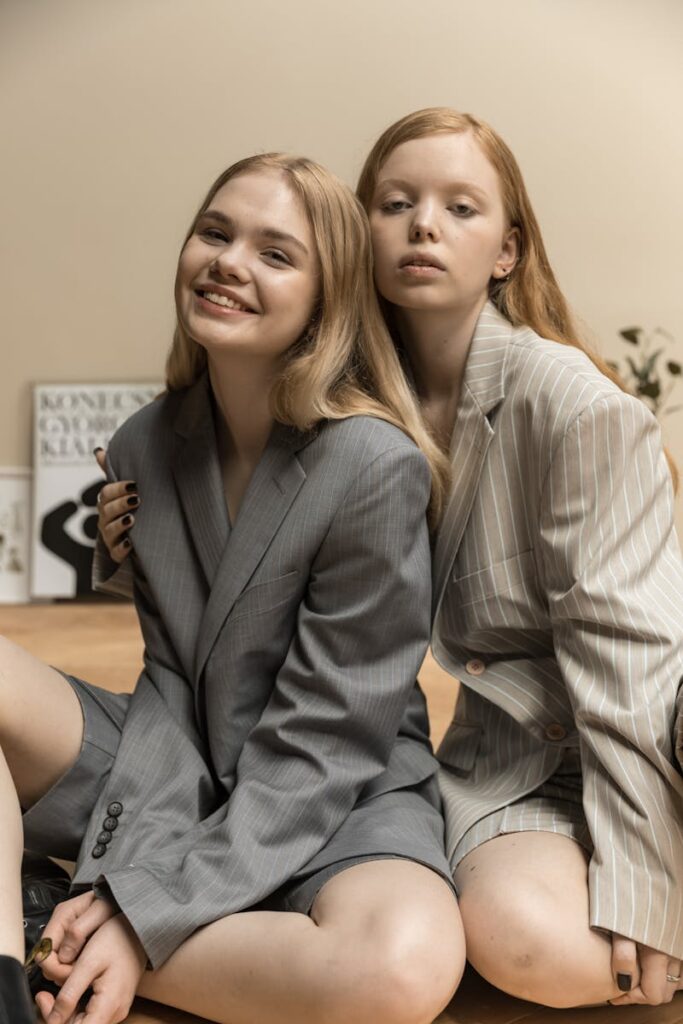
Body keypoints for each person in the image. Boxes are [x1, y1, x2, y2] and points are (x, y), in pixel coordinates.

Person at [100, 110, 683, 1011]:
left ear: (507, 251)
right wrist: (135, 541)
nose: (423, 225)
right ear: (353, 235)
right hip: (511, 755)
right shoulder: (344, 406)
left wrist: (647, 885)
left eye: (460, 207)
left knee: (612, 947)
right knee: (535, 954)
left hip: (652, 729)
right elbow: (246, 554)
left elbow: (630, 665)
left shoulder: (571, 405)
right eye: (394, 203)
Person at [0, 152, 464, 1024]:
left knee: (397, 973)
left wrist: (147, 907)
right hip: (177, 755)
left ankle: (45, 929)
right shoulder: (145, 441)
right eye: (215, 233)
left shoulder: (373, 466)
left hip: (337, 783)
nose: (228, 261)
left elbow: (328, 740)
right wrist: (149, 864)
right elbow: (171, 680)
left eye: (276, 253)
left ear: (327, 302)